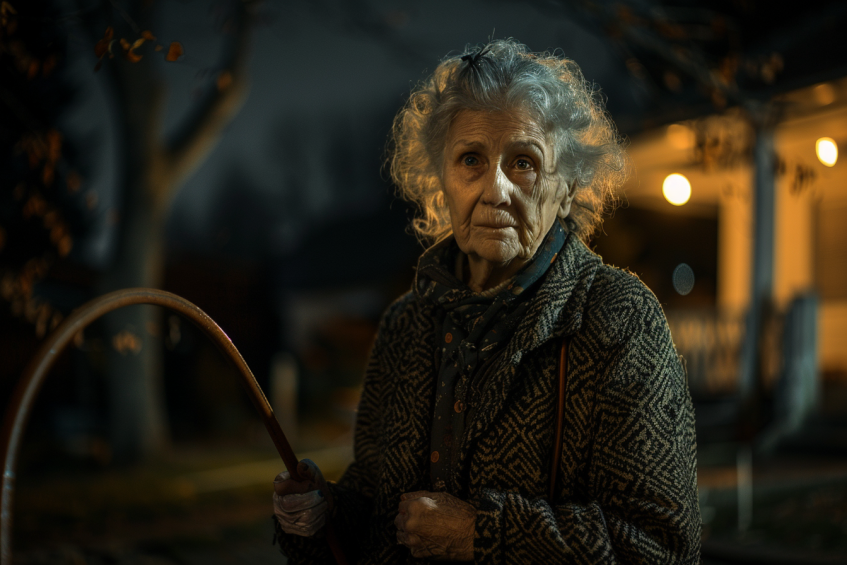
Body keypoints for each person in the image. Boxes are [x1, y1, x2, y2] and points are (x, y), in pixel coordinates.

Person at [272, 39, 701, 564]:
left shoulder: (618, 319)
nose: (494, 189)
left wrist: (482, 535)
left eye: (523, 162)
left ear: (567, 187)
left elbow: (661, 548)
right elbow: (378, 511)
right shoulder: (405, 325)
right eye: (470, 159)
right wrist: (325, 513)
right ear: (440, 183)